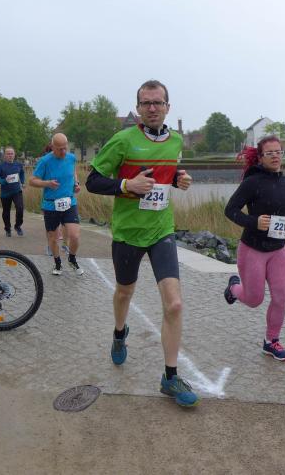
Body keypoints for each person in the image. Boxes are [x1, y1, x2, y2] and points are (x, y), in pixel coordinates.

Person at [85, 79, 198, 408]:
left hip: (162, 230)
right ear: (137, 108)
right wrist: (126, 185)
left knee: (174, 304)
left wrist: (179, 179)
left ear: (167, 107)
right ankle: (120, 333)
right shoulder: (123, 140)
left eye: (157, 102)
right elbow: (93, 181)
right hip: (128, 233)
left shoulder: (175, 141)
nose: (152, 108)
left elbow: (165, 173)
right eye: (146, 103)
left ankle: (170, 377)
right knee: (124, 292)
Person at [223, 135, 285, 362]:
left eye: (279, 152)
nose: (275, 156)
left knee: (281, 296)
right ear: (260, 157)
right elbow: (230, 210)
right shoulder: (252, 182)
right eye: (270, 153)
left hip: (279, 248)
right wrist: (254, 222)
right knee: (254, 300)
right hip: (253, 249)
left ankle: (271, 341)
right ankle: (234, 288)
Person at [30, 133, 83, 275]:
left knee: (75, 235)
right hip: (51, 205)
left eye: (65, 148)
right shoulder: (45, 161)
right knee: (53, 238)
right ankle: (57, 263)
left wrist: (76, 184)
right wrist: (47, 183)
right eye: (60, 149)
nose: (63, 151)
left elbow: (73, 172)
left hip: (69, 202)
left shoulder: (71, 158)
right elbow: (32, 181)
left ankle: (72, 259)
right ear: (52, 147)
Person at [0, 147, 26, 237]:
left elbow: (22, 173)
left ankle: (17, 226)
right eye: (8, 154)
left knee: (20, 208)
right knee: (6, 211)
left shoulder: (18, 165)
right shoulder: (0, 166)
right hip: (5, 193)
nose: (10, 155)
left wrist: (23, 182)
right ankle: (7, 229)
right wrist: (4, 181)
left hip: (17, 190)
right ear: (5, 155)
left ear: (14, 155)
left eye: (11, 153)